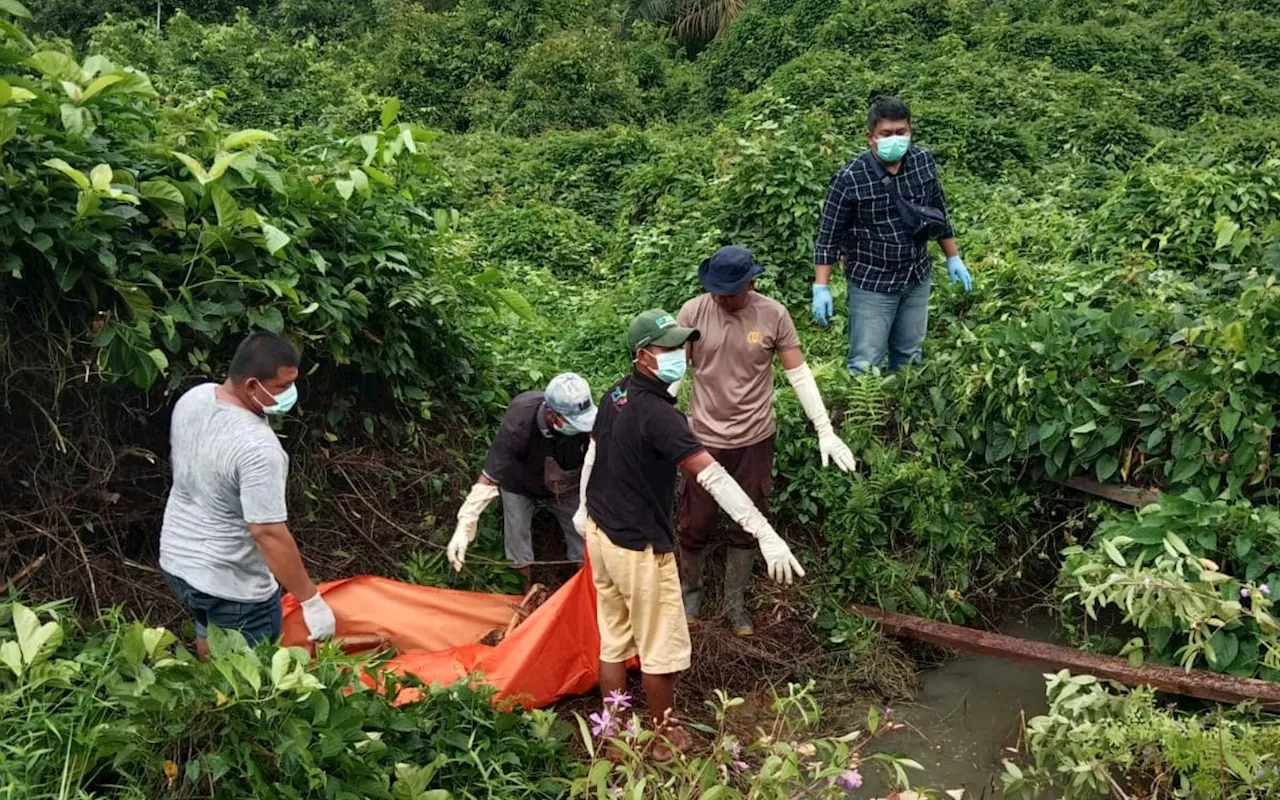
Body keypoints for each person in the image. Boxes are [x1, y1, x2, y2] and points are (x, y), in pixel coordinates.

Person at [573, 309, 804, 759]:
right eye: (670, 348)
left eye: (683, 345)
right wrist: (763, 530)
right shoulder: (661, 416)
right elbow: (712, 477)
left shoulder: (616, 392)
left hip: (602, 536)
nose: (682, 354)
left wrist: (584, 510)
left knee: (615, 639)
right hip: (639, 547)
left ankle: (615, 734)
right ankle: (664, 738)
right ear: (644, 357)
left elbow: (593, 454)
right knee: (662, 650)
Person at [677, 245, 856, 636]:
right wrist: (661, 423)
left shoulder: (772, 315)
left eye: (730, 290)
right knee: (696, 520)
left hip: (754, 437)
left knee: (751, 519)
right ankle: (689, 594)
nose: (721, 297)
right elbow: (674, 370)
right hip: (703, 437)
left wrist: (825, 429)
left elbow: (799, 375)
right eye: (715, 289)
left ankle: (734, 604)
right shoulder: (693, 312)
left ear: (751, 283)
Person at [160, 331, 336, 658]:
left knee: (208, 630)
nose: (291, 394)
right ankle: (232, 706)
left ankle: (206, 691)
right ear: (252, 386)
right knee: (250, 680)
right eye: (283, 387)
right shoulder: (259, 449)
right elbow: (267, 533)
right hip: (232, 583)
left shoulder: (195, 397)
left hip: (179, 562)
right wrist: (311, 601)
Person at [811, 96, 974, 373]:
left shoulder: (922, 161)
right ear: (870, 137)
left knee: (910, 355)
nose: (895, 139)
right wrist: (821, 287)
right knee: (865, 362)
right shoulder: (850, 178)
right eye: (886, 134)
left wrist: (953, 258)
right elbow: (828, 236)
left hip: (916, 275)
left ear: (911, 131)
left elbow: (938, 212)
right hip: (872, 282)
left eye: (901, 132)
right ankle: (864, 415)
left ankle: (899, 409)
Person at [447, 373, 597, 582]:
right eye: (575, 422)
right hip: (520, 481)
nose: (581, 426)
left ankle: (583, 593)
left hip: (566, 481)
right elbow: (489, 477)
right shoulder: (521, 419)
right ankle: (526, 597)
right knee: (517, 541)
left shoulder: (590, 423)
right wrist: (465, 523)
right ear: (553, 415)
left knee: (584, 539)